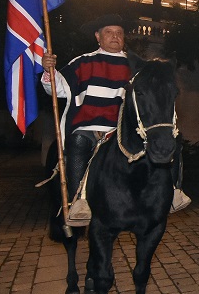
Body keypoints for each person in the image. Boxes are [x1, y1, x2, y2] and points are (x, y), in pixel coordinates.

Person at [41, 14, 132, 223]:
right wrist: (49, 71)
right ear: (98, 37)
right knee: (78, 141)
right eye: (109, 32)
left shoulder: (134, 65)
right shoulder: (83, 62)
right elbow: (57, 89)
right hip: (88, 128)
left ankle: (171, 190)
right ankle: (78, 202)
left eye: (119, 33)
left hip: (120, 131)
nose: (115, 37)